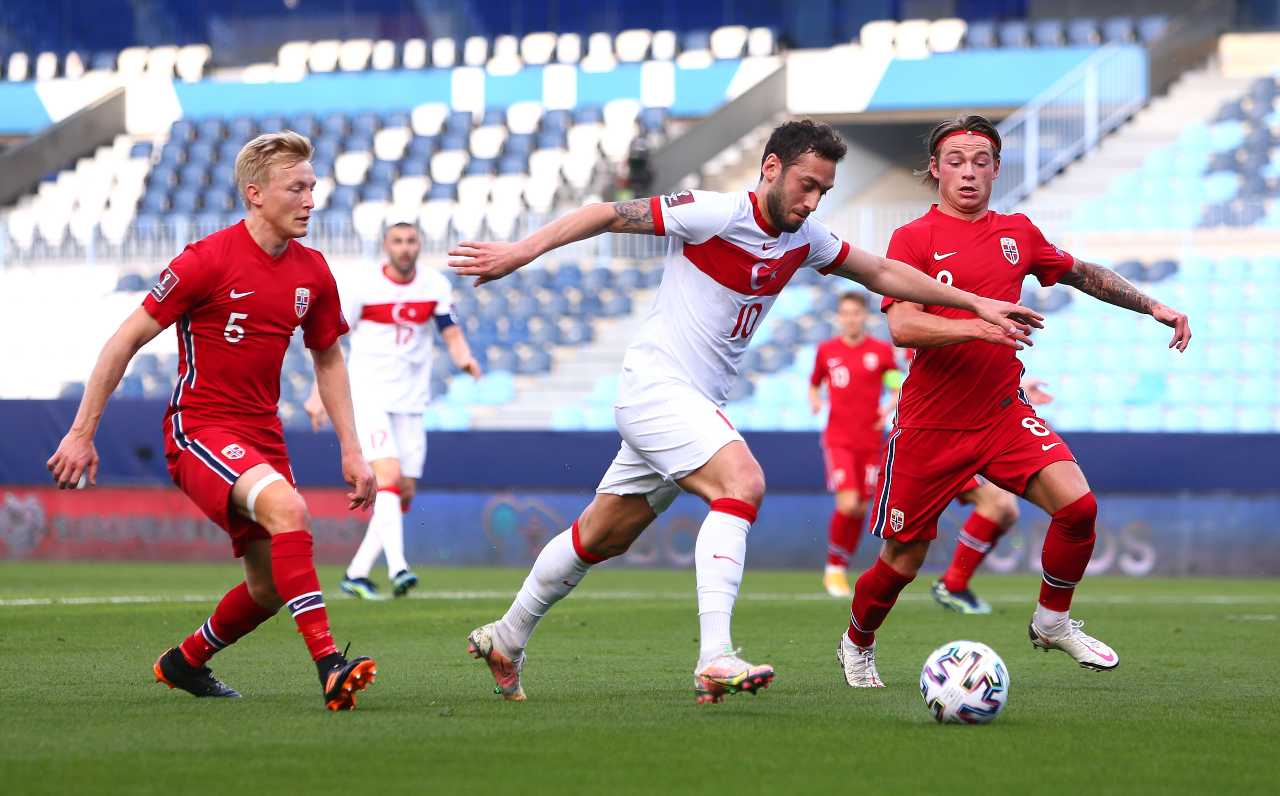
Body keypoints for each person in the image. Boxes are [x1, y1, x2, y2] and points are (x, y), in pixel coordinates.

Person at [448, 119, 1042, 705]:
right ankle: (714, 658)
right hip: (656, 388)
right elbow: (608, 212)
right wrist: (519, 252)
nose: (812, 201)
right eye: (806, 185)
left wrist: (975, 304)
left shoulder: (804, 240)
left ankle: (507, 635)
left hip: (694, 402)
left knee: (602, 535)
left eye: (824, 191)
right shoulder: (715, 213)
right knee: (743, 482)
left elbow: (883, 272)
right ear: (771, 169)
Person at [836, 115, 1190, 688]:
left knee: (1078, 508)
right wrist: (979, 322)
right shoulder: (913, 238)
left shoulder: (1017, 232)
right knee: (903, 560)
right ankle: (858, 642)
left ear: (997, 169)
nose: (969, 172)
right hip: (931, 424)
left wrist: (1154, 307)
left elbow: (1082, 274)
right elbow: (902, 327)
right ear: (934, 169)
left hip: (1001, 413)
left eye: (981, 161)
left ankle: (1052, 622)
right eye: (956, 160)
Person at [46, 131, 380, 711]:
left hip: (262, 436)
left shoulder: (313, 272)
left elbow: (327, 355)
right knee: (291, 512)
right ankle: (330, 665)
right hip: (199, 429)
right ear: (255, 193)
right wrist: (81, 431)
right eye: (295, 188)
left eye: (312, 187)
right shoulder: (205, 260)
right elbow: (124, 340)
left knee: (270, 587)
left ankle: (184, 661)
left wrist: (352, 448)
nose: (309, 200)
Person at [305, 222, 482, 600]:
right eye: (398, 241)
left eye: (411, 241)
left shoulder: (434, 284)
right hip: (368, 395)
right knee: (387, 473)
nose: (405, 248)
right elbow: (329, 342)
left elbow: (450, 331)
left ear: (420, 245)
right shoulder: (364, 287)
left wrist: (464, 359)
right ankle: (399, 567)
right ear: (386, 246)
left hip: (412, 400)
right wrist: (318, 392)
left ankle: (356, 574)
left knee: (402, 491)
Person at [931, 378, 1052, 614]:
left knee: (1005, 509)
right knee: (997, 504)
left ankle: (953, 585)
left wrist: (1018, 390)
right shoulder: (940, 344)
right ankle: (951, 586)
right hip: (941, 430)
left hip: (969, 430)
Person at [808, 292, 901, 597]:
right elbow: (814, 382)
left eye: (856, 313)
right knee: (847, 503)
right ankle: (833, 569)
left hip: (870, 441)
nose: (851, 318)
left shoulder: (881, 351)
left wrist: (887, 409)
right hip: (839, 439)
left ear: (865, 317)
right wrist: (816, 400)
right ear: (839, 317)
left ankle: (840, 565)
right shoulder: (826, 351)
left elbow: (894, 387)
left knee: (861, 507)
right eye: (845, 313)